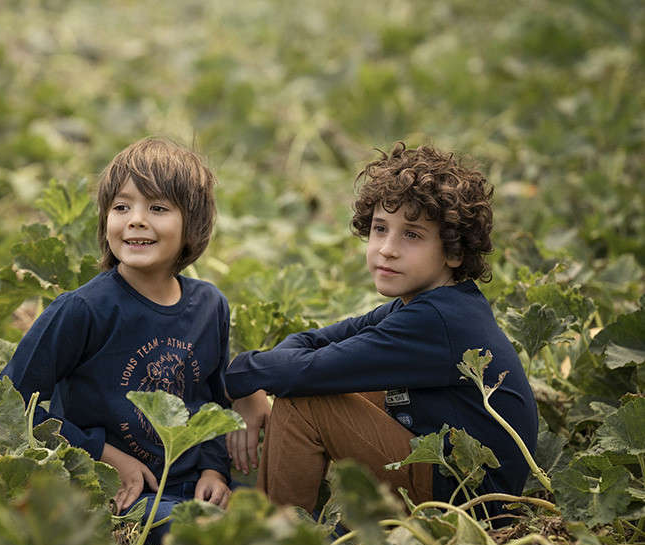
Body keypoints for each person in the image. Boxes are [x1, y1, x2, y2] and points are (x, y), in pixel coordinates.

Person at [225, 141, 538, 519]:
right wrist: (259, 378)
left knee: (305, 398)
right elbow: (311, 343)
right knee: (329, 380)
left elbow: (308, 371)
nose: (387, 249)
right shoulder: (424, 305)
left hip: (470, 499)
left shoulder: (437, 320)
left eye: (412, 235)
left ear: (454, 251)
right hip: (449, 477)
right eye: (379, 229)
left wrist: (239, 376)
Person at [0, 137, 232, 545]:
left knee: (274, 514)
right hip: (124, 495)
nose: (135, 220)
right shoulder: (83, 309)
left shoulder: (209, 306)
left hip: (194, 483)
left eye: (157, 208)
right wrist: (103, 454)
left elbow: (213, 406)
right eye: (121, 207)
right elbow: (14, 403)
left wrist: (215, 471)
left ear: (192, 226)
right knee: (203, 538)